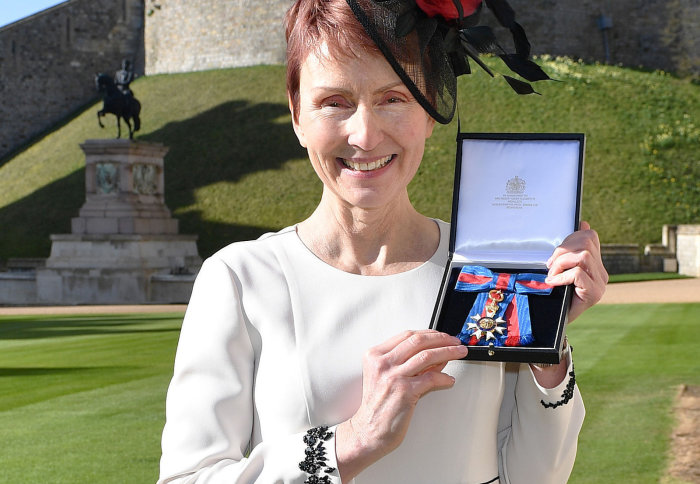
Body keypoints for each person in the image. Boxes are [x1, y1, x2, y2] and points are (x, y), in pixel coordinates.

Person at [157, 0, 608, 483]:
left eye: (394, 98)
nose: (365, 135)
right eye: (335, 102)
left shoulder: (485, 266)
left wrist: (548, 345)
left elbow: (533, 478)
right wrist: (351, 443)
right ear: (296, 116)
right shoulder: (241, 279)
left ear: (431, 108)